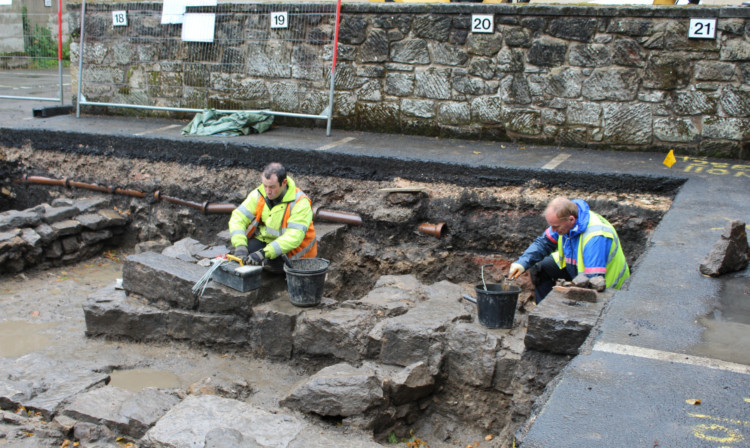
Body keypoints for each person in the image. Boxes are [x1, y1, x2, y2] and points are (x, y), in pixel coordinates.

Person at [508, 197, 629, 304]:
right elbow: (543, 243)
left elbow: (593, 281)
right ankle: (544, 310)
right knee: (539, 268)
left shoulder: (595, 237)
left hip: (607, 286)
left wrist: (568, 292)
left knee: (581, 303)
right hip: (576, 269)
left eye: (556, 226)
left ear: (571, 219)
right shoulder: (566, 222)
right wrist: (522, 263)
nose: (553, 230)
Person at [228, 162, 316, 272]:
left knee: (271, 263)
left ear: (284, 183)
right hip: (267, 243)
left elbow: (293, 237)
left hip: (295, 254)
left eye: (272, 187)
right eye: (265, 186)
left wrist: (263, 253)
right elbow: (238, 217)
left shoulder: (300, 203)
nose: (267, 191)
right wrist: (240, 245)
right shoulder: (259, 194)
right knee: (245, 255)